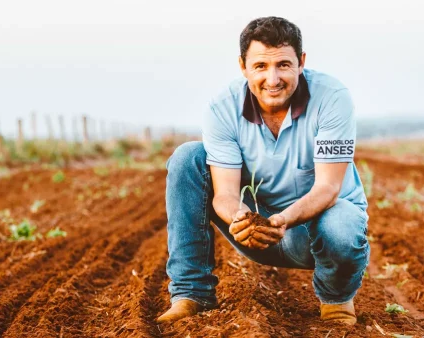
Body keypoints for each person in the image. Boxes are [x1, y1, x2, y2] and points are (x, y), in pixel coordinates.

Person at [157, 16, 369, 325]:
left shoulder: (332, 98)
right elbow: (225, 193)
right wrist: (241, 218)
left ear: (301, 62)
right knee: (188, 157)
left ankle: (336, 301)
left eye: (283, 64)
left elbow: (328, 189)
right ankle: (192, 293)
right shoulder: (222, 107)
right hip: (258, 233)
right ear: (243, 66)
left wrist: (283, 220)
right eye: (260, 66)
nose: (272, 79)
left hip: (315, 235)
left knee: (344, 219)